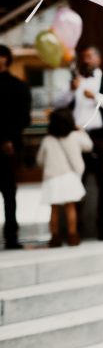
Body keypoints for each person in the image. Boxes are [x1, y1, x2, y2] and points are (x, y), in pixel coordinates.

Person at [55, 46, 103, 240]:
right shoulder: (73, 82)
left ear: (98, 59)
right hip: (77, 136)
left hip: (100, 135)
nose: (86, 61)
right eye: (83, 58)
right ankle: (76, 228)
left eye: (90, 57)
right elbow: (57, 104)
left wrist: (96, 96)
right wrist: (72, 92)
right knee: (76, 181)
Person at [36, 108, 92, 247]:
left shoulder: (47, 140)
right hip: (70, 177)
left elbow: (39, 160)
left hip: (52, 178)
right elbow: (89, 146)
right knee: (70, 207)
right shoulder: (75, 136)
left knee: (54, 208)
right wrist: (81, 131)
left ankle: (55, 237)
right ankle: (73, 235)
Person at [0, 44, 30, 249]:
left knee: (9, 192)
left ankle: (11, 235)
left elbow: (23, 117)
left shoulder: (18, 86)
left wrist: (9, 139)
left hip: (10, 147)